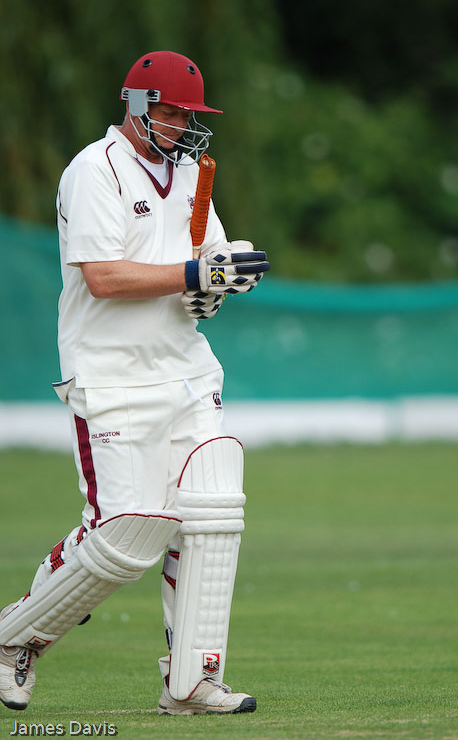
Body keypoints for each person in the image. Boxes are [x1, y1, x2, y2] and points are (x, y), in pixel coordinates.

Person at [0, 50, 269, 716]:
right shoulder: (95, 170)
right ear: (138, 104)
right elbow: (104, 277)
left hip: (185, 369)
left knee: (211, 513)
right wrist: (196, 276)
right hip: (110, 374)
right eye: (170, 112)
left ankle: (192, 681)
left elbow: (204, 263)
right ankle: (12, 640)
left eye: (188, 115)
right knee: (125, 536)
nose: (180, 125)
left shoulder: (192, 174)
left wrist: (217, 285)